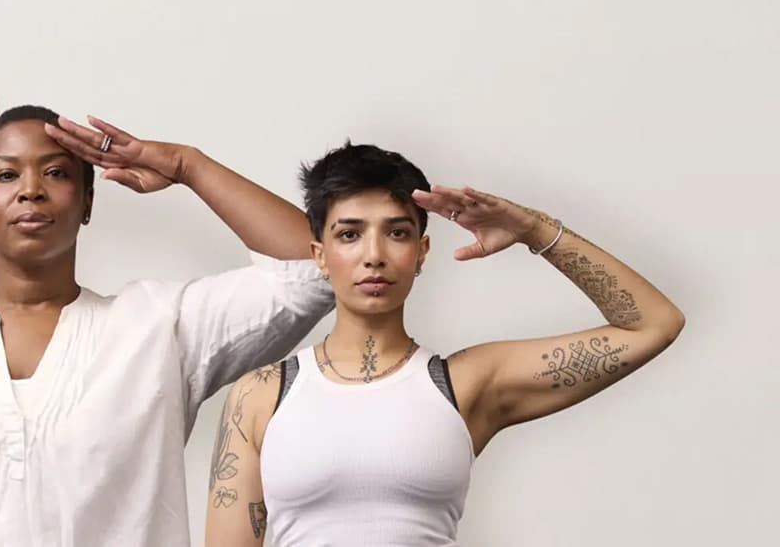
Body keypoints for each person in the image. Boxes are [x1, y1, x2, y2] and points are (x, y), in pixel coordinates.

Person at [0, 106, 336, 546]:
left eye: (56, 173)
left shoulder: (158, 328)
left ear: (88, 203)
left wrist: (187, 165)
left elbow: (316, 270)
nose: (30, 191)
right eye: (6, 175)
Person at [204, 143, 685, 546]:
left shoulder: (466, 384)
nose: (374, 256)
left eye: (397, 233)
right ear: (321, 256)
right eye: (349, 234)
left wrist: (534, 229)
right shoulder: (261, 396)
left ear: (421, 253)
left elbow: (653, 324)